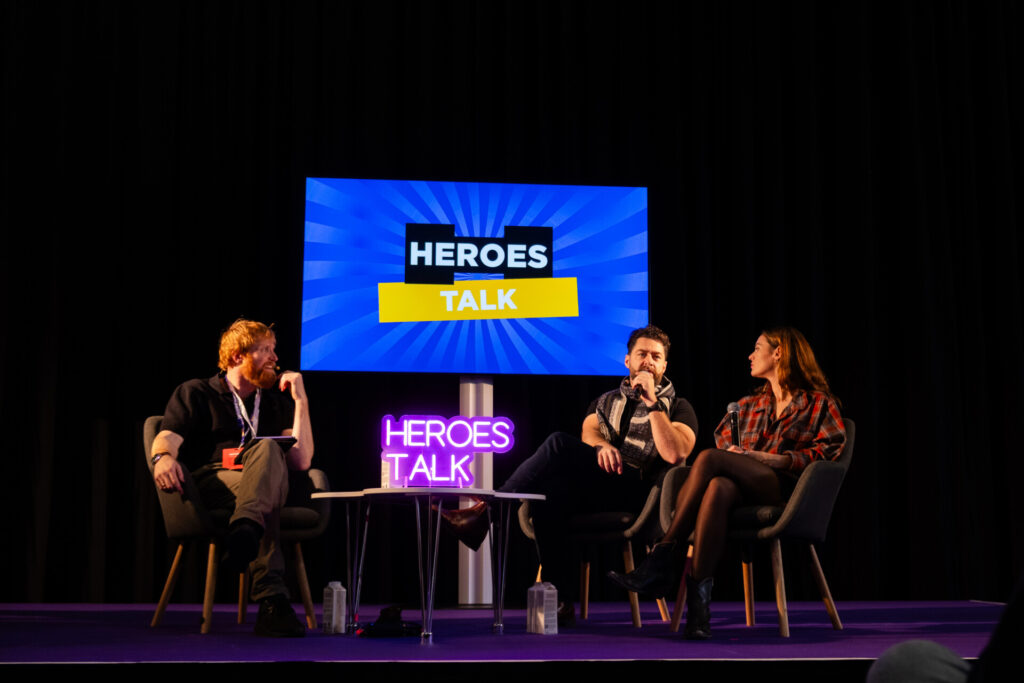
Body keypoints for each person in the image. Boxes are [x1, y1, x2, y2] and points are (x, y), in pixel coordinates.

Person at [444, 325, 698, 625]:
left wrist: (652, 403)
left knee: (557, 444)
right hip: (601, 483)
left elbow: (675, 454)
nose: (648, 362)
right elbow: (589, 433)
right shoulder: (606, 401)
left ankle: (488, 511)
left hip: (640, 493)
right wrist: (602, 446)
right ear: (627, 360)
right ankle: (561, 602)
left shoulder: (678, 407)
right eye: (642, 354)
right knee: (549, 495)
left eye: (656, 357)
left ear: (664, 366)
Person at [608, 326, 845, 639]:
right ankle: (699, 616)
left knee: (708, 459)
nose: (750, 356)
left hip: (784, 489)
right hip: (740, 487)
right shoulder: (748, 406)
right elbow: (725, 445)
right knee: (719, 485)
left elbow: (829, 451)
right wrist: (738, 456)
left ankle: (664, 554)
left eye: (757, 348)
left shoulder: (818, 404)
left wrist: (776, 459)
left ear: (778, 353)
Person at [150, 319, 314, 637]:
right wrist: (162, 458)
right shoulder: (196, 392)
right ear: (237, 356)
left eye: (274, 350)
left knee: (267, 454)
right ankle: (272, 603)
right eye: (264, 350)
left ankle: (247, 531)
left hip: (258, 485)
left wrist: (301, 400)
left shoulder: (274, 401)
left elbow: (301, 460)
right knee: (266, 487)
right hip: (213, 481)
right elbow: (167, 438)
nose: (274, 358)